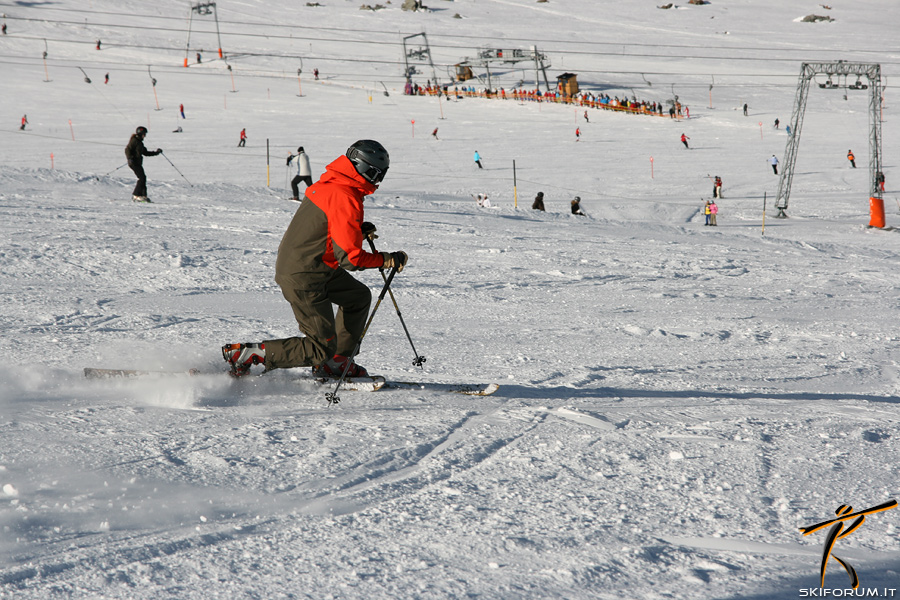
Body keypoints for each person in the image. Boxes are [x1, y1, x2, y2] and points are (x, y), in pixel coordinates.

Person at [223, 140, 407, 379]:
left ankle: (337, 361)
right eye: (376, 174)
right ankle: (250, 355)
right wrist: (387, 260)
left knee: (357, 297)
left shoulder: (333, 183)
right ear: (364, 169)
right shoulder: (345, 195)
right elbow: (351, 259)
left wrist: (356, 230)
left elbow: (328, 229)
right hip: (305, 275)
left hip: (315, 265)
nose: (378, 181)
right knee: (320, 347)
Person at [124, 126, 162, 202]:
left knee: (143, 178)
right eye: (144, 134)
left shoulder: (140, 143)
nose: (145, 136)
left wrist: (156, 153)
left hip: (137, 163)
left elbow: (145, 153)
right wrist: (130, 158)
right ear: (140, 134)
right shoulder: (134, 141)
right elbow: (127, 149)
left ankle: (143, 195)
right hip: (133, 163)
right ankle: (136, 195)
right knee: (141, 178)